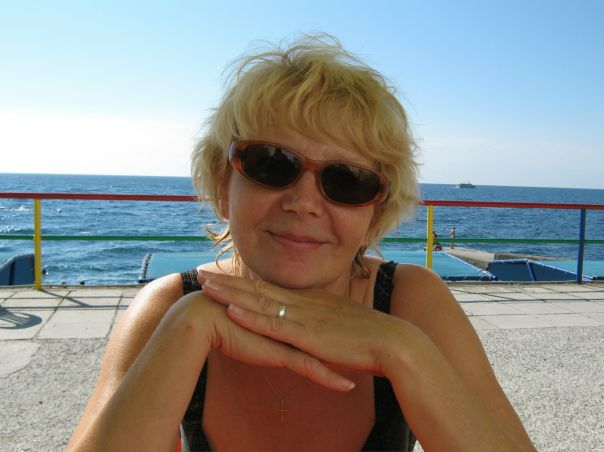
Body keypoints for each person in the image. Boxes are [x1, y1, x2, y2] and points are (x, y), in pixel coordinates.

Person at [67, 34, 535, 452]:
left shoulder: (410, 302)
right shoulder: (170, 307)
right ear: (223, 184)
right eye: (272, 164)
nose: (304, 203)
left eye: (346, 180)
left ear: (374, 213)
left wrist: (402, 350)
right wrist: (187, 329)